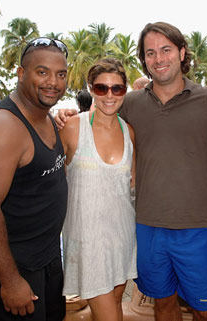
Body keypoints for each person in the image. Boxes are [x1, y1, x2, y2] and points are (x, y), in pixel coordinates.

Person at [56, 22, 207, 321]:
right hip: (146, 227)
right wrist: (66, 113)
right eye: (150, 52)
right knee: (162, 304)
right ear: (144, 59)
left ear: (182, 52)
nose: (158, 58)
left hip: (197, 227)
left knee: (206, 311)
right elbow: (98, 116)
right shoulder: (129, 103)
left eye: (166, 50)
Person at [0, 37, 69, 321]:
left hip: (47, 257)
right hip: (15, 266)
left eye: (60, 74)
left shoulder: (47, 117)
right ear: (21, 73)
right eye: (42, 72)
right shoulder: (2, 127)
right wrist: (10, 280)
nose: (53, 82)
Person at [60, 58, 137, 321]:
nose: (109, 95)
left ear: (125, 91)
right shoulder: (72, 127)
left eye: (117, 88)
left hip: (123, 237)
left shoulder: (129, 132)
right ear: (91, 89)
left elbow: (131, 188)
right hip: (88, 241)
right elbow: (48, 182)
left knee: (115, 306)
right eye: (102, 88)